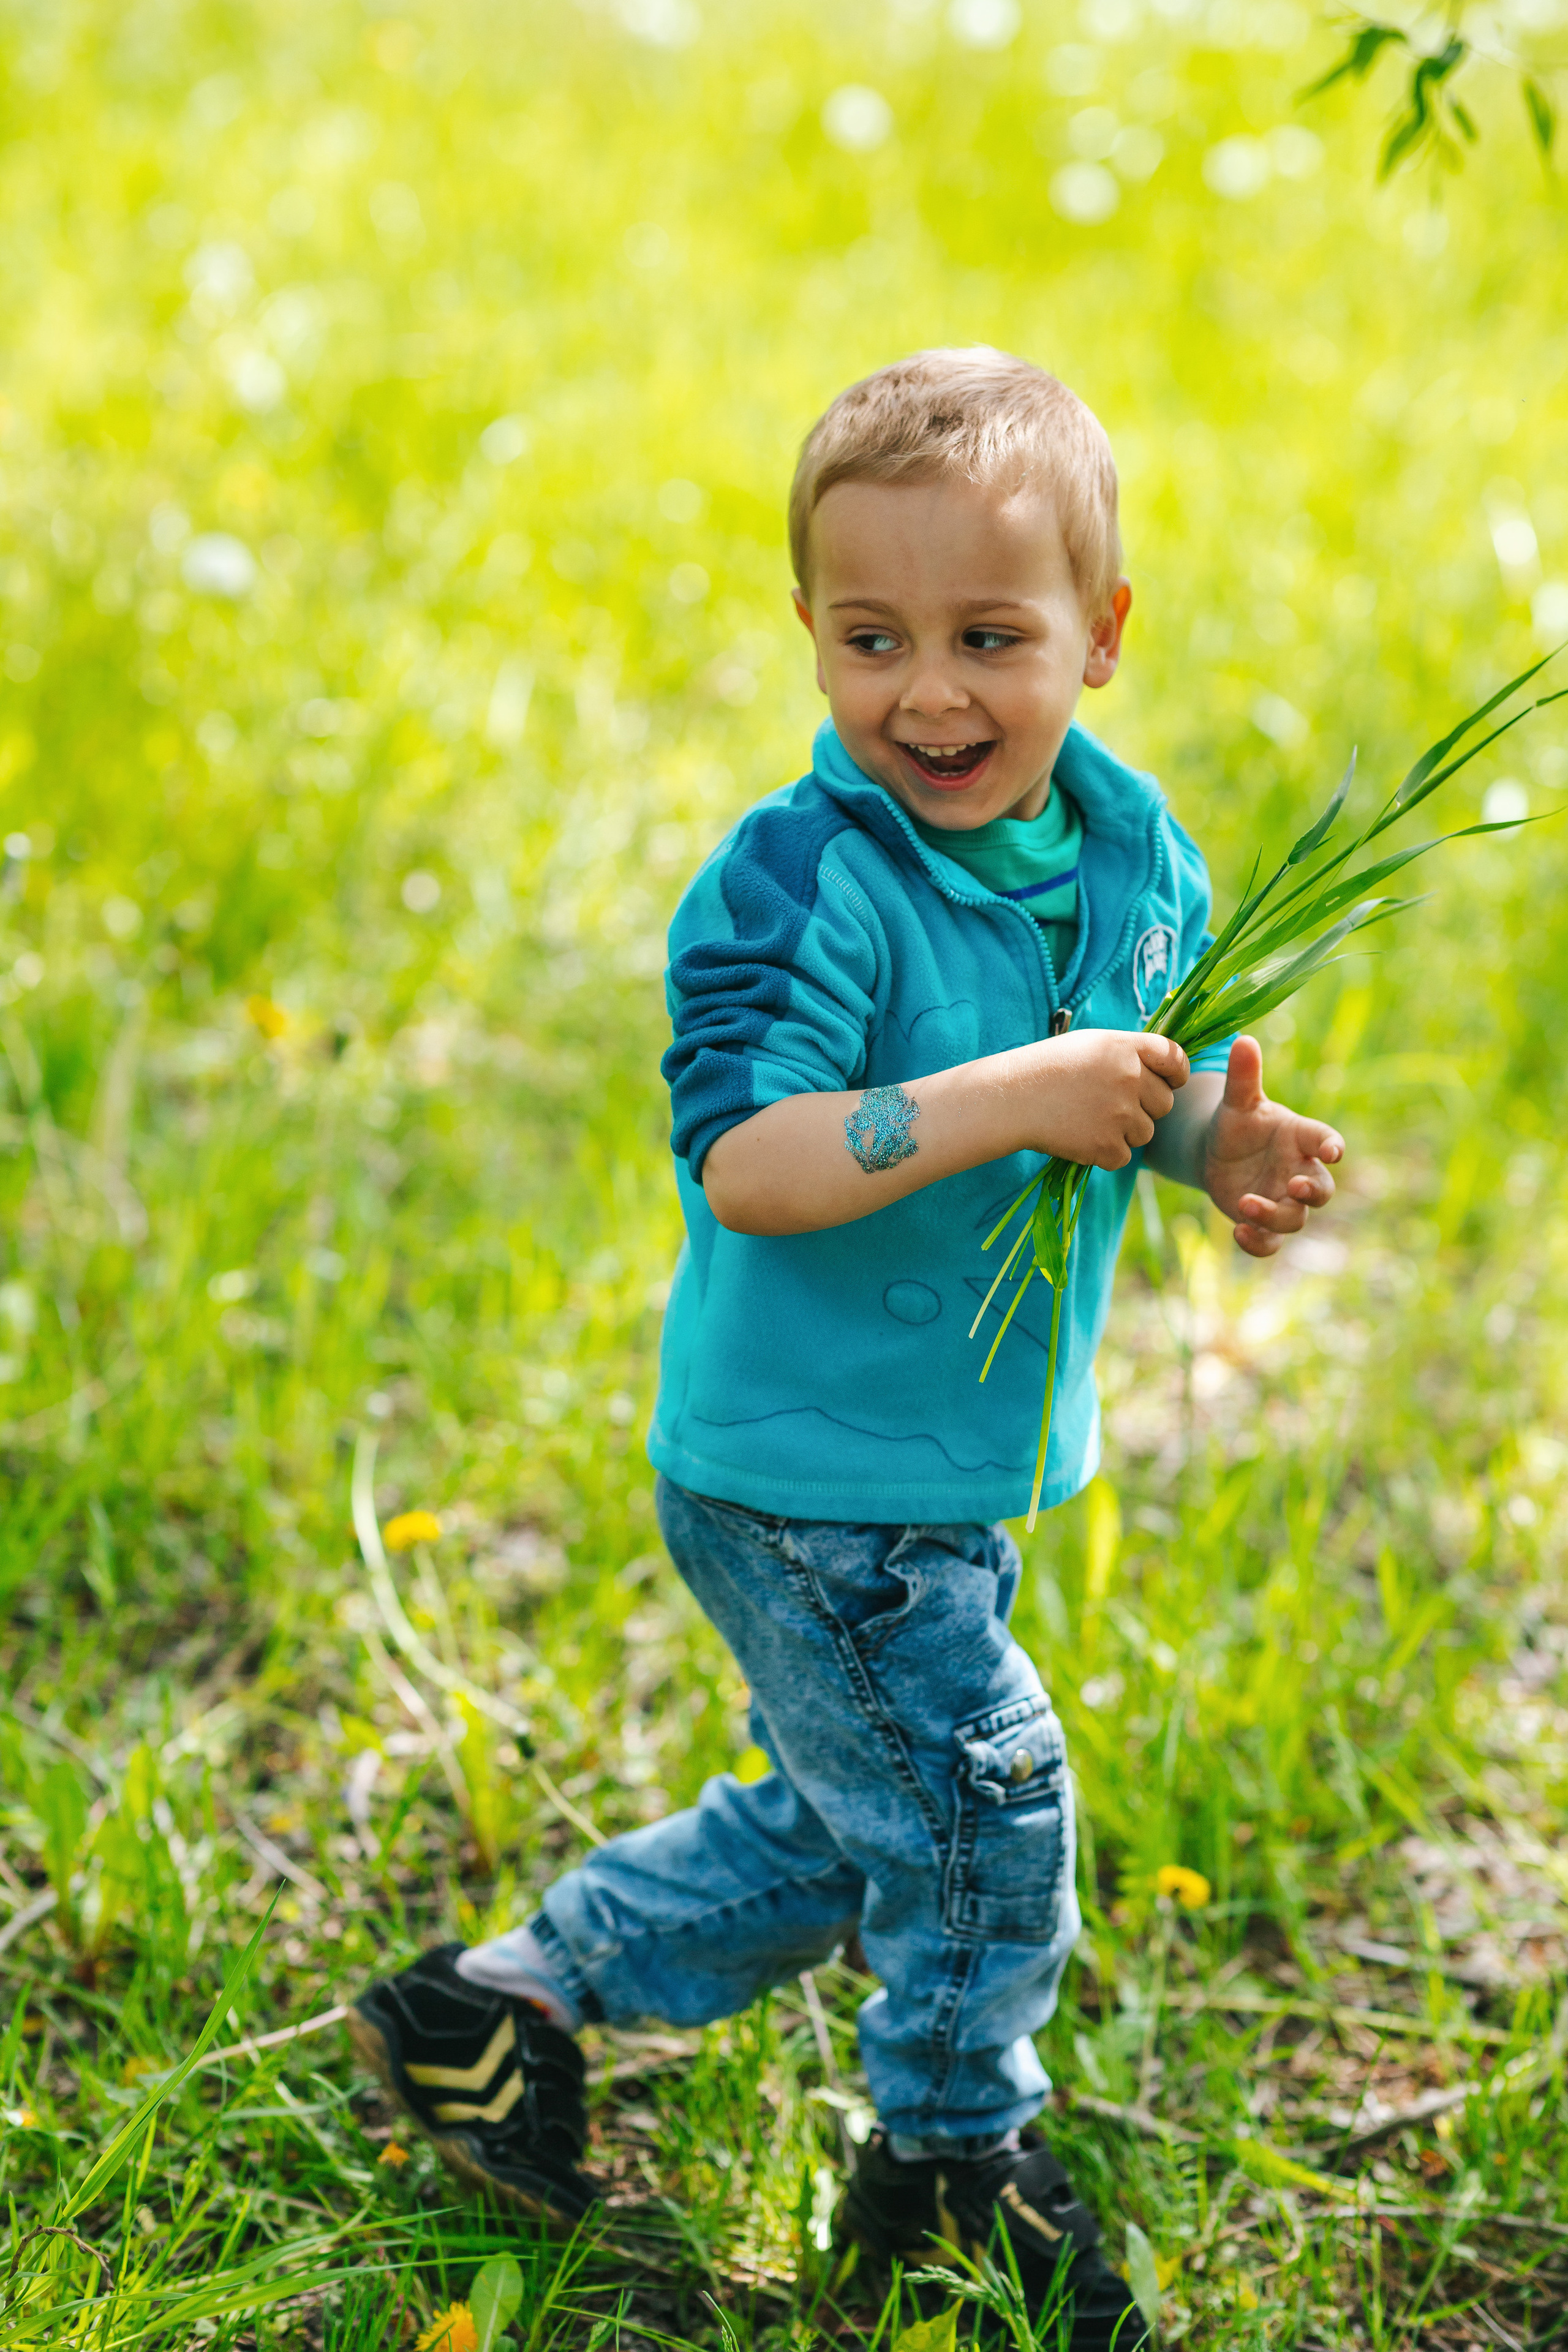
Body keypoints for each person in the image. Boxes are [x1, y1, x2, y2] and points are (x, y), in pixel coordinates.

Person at [347, 349, 1343, 2346]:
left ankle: (493, 2007)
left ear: (1103, 636)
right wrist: (1015, 1087)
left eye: (992, 636)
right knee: (985, 1806)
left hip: (947, 1458)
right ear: (812, 631)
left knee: (850, 1817)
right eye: (872, 639)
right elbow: (753, 1164)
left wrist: (1200, 1142)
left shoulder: (1137, 861)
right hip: (802, 1473)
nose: (932, 696)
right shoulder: (801, 884)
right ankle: (949, 2174)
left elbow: (1112, 1087)